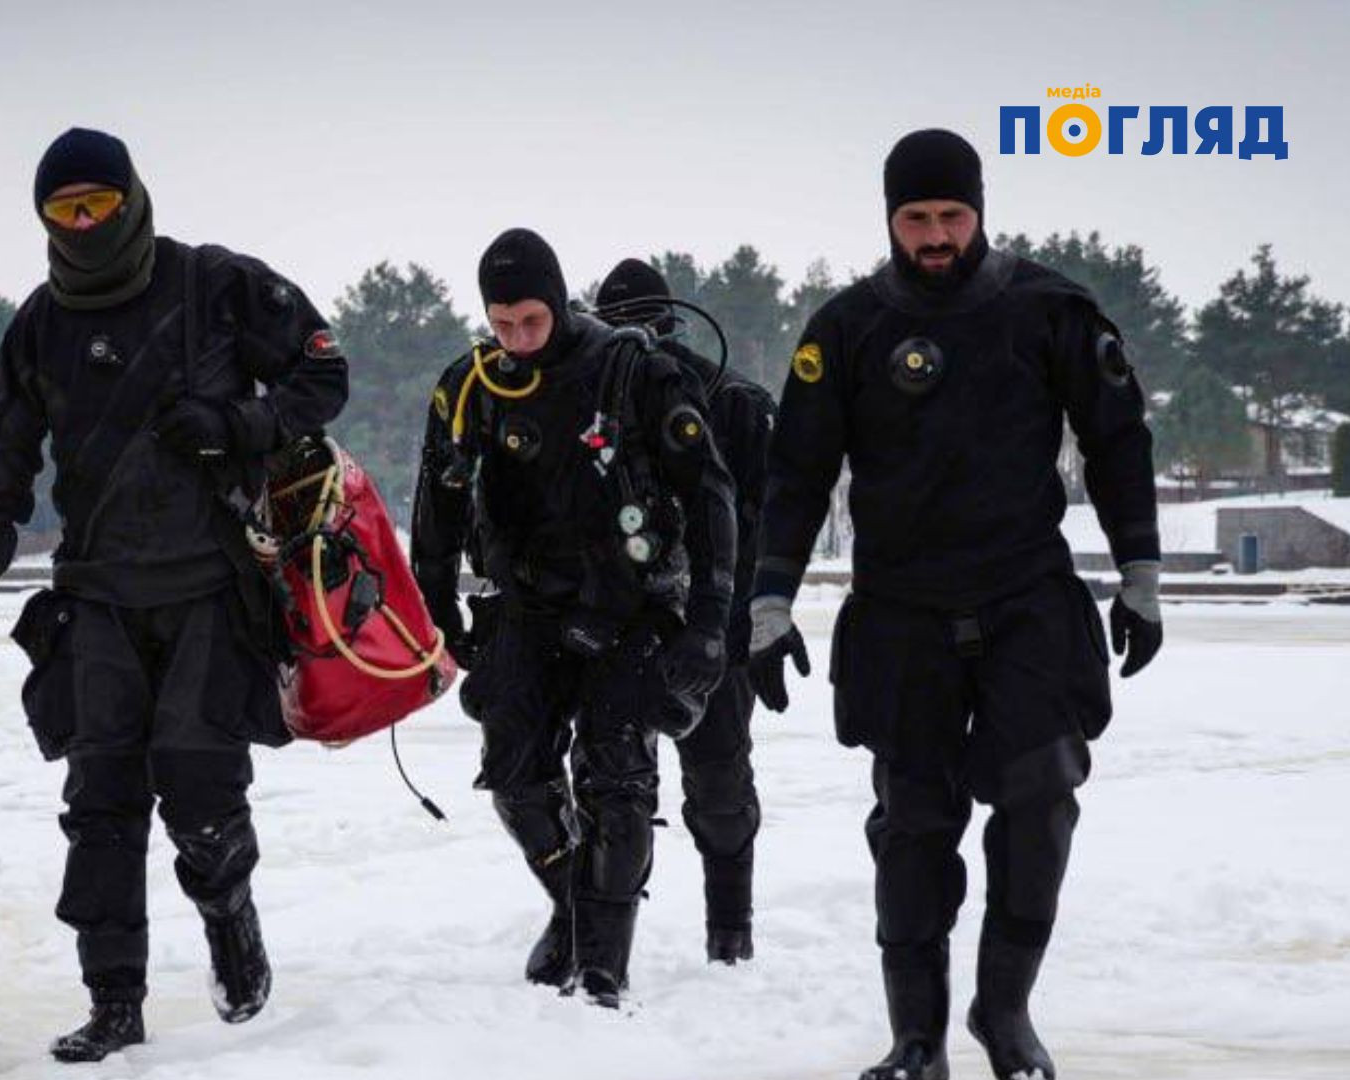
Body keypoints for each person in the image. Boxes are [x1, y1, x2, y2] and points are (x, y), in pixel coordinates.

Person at [0, 127, 348, 1062]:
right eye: (61, 209)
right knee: (101, 805)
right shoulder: (38, 325)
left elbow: (325, 373)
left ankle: (230, 918)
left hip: (209, 591)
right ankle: (115, 1002)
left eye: (96, 205)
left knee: (199, 789)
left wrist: (242, 423)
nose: (81, 223)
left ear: (133, 199)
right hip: (99, 599)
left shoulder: (218, 286)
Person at [748, 128, 1162, 1080]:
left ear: (980, 210)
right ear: (889, 218)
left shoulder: (1049, 310)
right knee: (914, 822)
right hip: (900, 609)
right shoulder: (845, 329)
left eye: (952, 216)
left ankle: (1004, 1013)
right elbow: (797, 474)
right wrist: (770, 602)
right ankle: (918, 1040)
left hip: (1025, 597)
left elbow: (1118, 440)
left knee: (1041, 795)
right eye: (916, 218)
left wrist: (1140, 575)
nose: (935, 236)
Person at [410, 228, 738, 1008]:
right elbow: (438, 504)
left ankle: (602, 969)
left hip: (633, 604)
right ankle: (572, 905)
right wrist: (435, 605)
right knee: (516, 774)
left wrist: (708, 623)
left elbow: (710, 495)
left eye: (531, 320)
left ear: (558, 303)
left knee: (615, 776)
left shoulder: (634, 373)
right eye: (502, 324)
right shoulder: (473, 385)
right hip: (527, 603)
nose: (517, 340)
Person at [594, 259, 773, 964]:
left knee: (721, 782)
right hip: (615, 620)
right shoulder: (586, 393)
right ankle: (598, 939)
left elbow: (770, 520)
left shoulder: (733, 402)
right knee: (610, 789)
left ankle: (730, 930)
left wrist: (762, 618)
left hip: (715, 620)